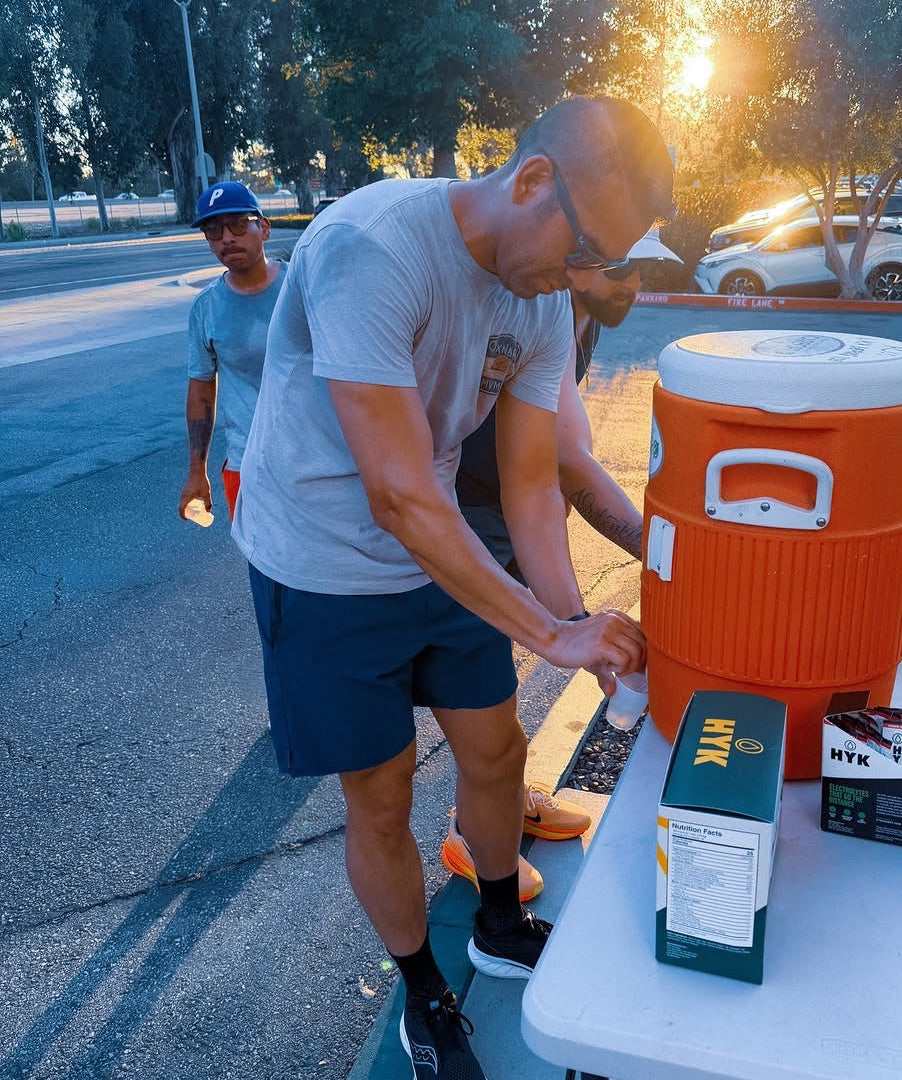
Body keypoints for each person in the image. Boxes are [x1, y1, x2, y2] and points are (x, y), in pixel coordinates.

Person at [232, 95, 673, 1079]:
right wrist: (551, 636)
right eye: (584, 250)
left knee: (497, 747)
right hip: (322, 566)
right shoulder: (374, 247)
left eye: (601, 261)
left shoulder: (541, 296)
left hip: (438, 550)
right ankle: (423, 988)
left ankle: (499, 922)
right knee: (383, 790)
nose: (582, 281)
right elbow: (396, 495)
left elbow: (529, 486)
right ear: (530, 180)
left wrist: (572, 623)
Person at [442, 228, 682, 892]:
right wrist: (664, 553)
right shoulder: (530, 313)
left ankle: (509, 799)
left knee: (503, 672)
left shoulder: (583, 321)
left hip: (509, 508)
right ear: (571, 265)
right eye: (621, 269)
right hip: (462, 515)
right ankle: (472, 833)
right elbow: (571, 467)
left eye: (641, 270)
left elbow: (553, 465)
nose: (633, 285)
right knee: (479, 687)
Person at [178, 182, 286, 522]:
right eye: (213, 230)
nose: (226, 237)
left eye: (238, 223)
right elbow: (201, 394)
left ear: (263, 228)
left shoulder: (300, 287)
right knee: (258, 554)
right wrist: (197, 472)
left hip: (319, 462)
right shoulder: (206, 308)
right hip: (247, 464)